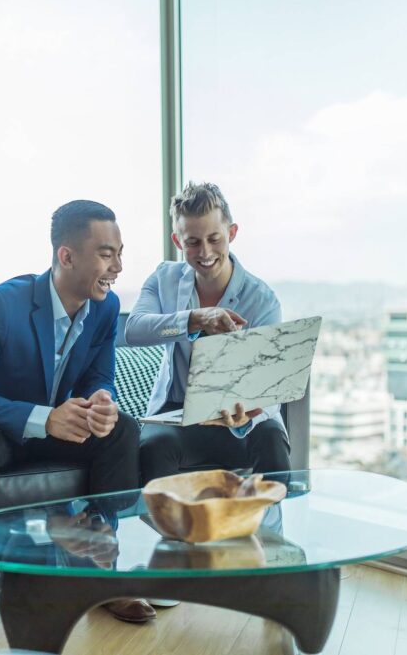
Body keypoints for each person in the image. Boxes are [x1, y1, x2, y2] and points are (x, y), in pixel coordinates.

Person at [0, 200, 151, 655]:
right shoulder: (0, 304)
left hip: (57, 431)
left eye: (120, 252)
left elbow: (98, 376)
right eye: (107, 253)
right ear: (66, 256)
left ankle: (100, 568)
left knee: (122, 430)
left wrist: (102, 400)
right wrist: (42, 417)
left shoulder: (106, 309)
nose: (119, 266)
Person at [125, 182, 291, 485]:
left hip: (239, 417)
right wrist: (195, 319)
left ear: (232, 233)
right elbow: (134, 330)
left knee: (271, 438)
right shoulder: (164, 279)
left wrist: (248, 413)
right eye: (193, 242)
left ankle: (271, 531)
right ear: (177, 240)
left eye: (214, 238)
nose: (205, 252)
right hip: (177, 415)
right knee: (153, 446)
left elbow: (270, 386)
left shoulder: (262, 300)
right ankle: (170, 533)